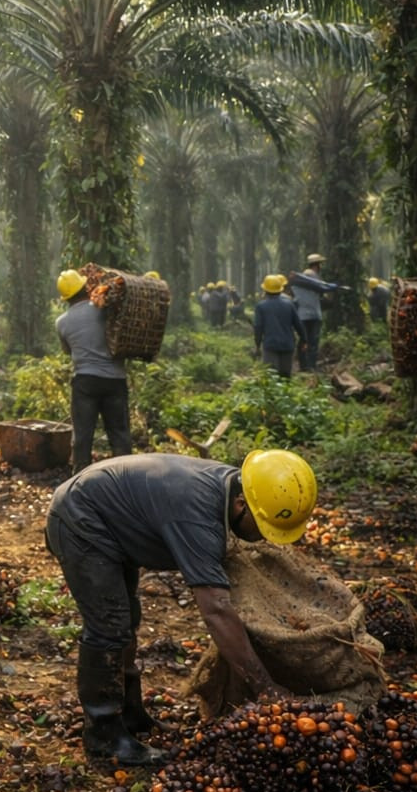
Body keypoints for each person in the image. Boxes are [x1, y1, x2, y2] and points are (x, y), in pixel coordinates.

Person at [44, 449, 318, 765]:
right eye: (262, 528)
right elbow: (215, 610)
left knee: (126, 619)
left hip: (110, 515)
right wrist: (264, 686)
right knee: (109, 626)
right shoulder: (197, 513)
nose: (263, 539)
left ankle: (130, 714)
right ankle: (103, 737)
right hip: (82, 520)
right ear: (242, 506)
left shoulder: (234, 487)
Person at [55, 271, 132, 471]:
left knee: (82, 436)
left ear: (66, 297)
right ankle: (126, 480)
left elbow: (68, 350)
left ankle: (80, 481)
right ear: (85, 288)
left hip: (85, 382)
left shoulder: (61, 322)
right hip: (115, 381)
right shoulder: (104, 310)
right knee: (119, 434)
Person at [286, 253, 347, 371]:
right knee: (313, 342)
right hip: (314, 315)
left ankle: (304, 366)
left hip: (302, 315)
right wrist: (334, 286)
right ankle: (310, 366)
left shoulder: (298, 281)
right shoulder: (312, 279)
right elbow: (322, 288)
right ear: (317, 265)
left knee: (303, 341)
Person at [253, 275, 306, 379]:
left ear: (265, 289)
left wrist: (258, 344)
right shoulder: (289, 304)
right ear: (280, 289)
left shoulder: (261, 306)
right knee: (285, 377)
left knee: (271, 377)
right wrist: (304, 339)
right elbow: (298, 324)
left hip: (270, 346)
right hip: (288, 345)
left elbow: (258, 327)